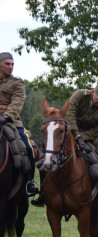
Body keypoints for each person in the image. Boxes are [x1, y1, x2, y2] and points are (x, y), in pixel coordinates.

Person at [32, 77, 98, 212]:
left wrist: (82, 137)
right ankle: (42, 194)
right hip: (69, 133)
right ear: (93, 92)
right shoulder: (79, 95)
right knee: (44, 160)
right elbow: (70, 116)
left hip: (92, 137)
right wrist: (76, 135)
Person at [0, 52, 39, 196]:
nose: (10, 67)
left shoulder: (17, 83)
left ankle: (29, 182)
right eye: (7, 64)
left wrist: (6, 116)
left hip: (11, 122)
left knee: (27, 148)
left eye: (12, 64)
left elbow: (17, 103)